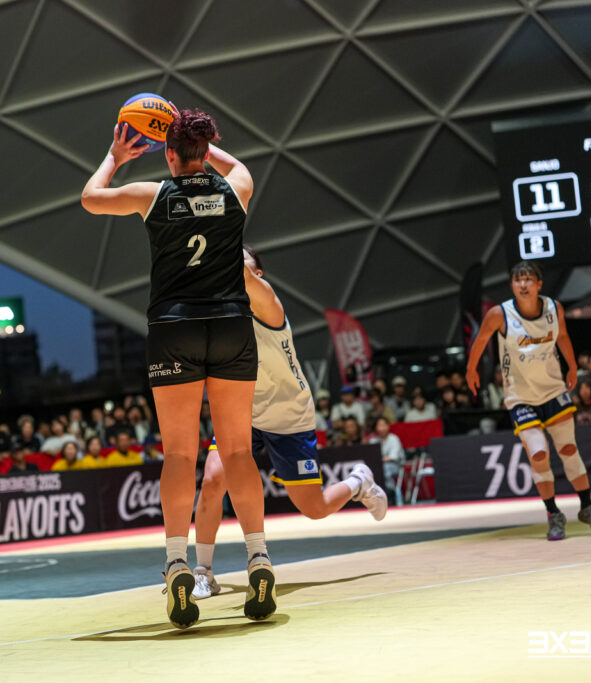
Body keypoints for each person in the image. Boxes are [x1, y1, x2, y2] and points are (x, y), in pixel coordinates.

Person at [82, 109, 273, 627]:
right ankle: (258, 558)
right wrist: (199, 141)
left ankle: (176, 565)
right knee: (237, 451)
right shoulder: (237, 188)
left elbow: (91, 197)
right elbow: (234, 165)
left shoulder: (153, 195)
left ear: (168, 154)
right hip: (231, 325)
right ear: (206, 149)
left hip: (175, 329)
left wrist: (116, 157)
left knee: (181, 455)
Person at [193, 246, 386, 598]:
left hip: (288, 414)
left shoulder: (268, 303)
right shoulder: (218, 315)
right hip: (243, 413)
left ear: (258, 274)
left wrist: (219, 237)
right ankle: (203, 571)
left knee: (314, 508)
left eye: (241, 258)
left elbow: (240, 274)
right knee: (212, 480)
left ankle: (358, 482)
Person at [466, 261, 591, 541]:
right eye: (517, 280)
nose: (523, 285)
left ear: (539, 284)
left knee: (569, 449)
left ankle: (587, 507)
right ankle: (553, 514)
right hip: (520, 396)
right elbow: (480, 340)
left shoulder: (554, 308)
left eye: (528, 279)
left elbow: (563, 336)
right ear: (512, 285)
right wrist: (471, 369)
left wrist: (571, 367)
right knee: (539, 454)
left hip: (553, 389)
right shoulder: (499, 314)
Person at [368, 416, 405, 505]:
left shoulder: (394, 439)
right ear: (376, 428)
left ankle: (390, 493)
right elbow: (371, 458)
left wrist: (379, 460)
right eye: (379, 426)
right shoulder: (373, 441)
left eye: (384, 425)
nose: (382, 428)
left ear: (388, 426)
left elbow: (393, 457)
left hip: (396, 465)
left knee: (385, 468)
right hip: (378, 466)